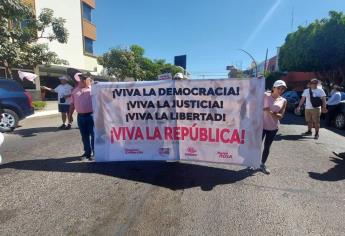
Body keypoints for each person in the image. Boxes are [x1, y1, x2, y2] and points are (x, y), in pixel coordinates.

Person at [261, 80, 287, 174]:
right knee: (256, 146)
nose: (280, 90)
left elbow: (281, 116)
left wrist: (270, 112)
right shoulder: (264, 95)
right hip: (260, 126)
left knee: (267, 147)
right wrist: (258, 80)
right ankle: (253, 162)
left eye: (282, 89)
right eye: (279, 88)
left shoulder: (283, 100)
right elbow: (252, 95)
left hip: (273, 127)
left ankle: (262, 164)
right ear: (273, 88)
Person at [70, 74, 94, 160]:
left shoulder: (94, 89)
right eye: (81, 79)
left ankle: (95, 153)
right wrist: (70, 116)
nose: (83, 81)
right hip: (80, 117)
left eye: (85, 79)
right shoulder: (75, 91)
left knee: (94, 135)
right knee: (84, 136)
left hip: (92, 116)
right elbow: (72, 104)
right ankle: (87, 152)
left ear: (89, 81)